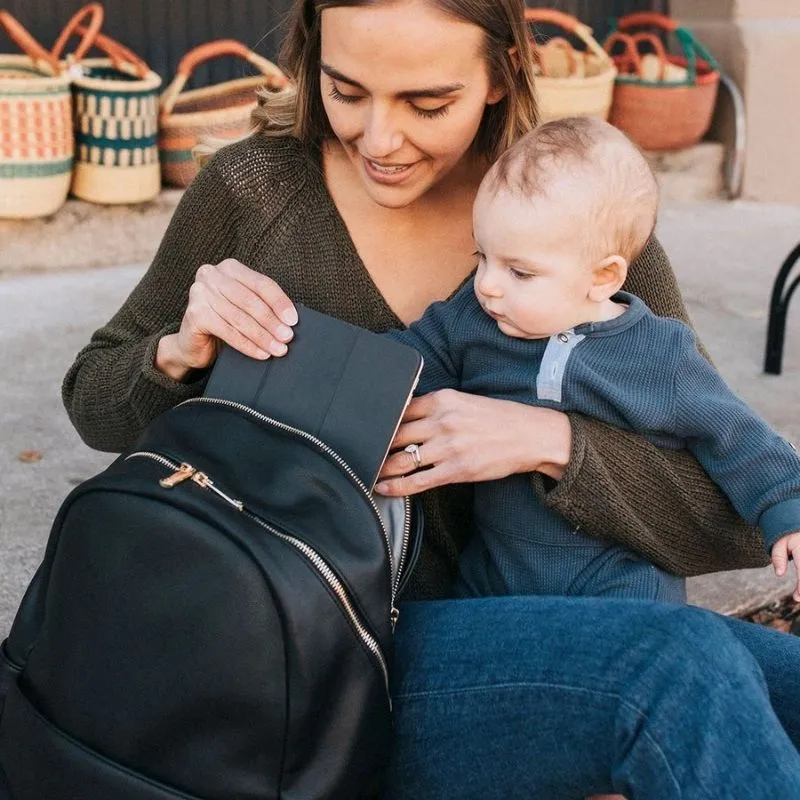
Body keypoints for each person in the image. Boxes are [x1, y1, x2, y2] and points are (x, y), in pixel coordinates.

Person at [62, 0, 800, 796]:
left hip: (544, 630)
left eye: (427, 103)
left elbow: (722, 509)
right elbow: (93, 403)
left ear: (499, 75)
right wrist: (179, 352)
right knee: (676, 666)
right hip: (324, 652)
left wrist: (551, 444)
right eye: (347, 91)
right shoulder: (251, 191)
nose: (381, 139)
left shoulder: (577, 217)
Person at [382, 115, 800, 606]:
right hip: (497, 570)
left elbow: (735, 436)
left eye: (520, 271)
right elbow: (397, 362)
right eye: (482, 257)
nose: (487, 284)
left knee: (647, 638)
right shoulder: (473, 321)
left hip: (618, 575)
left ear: (602, 278)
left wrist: (786, 510)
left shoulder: (657, 353)